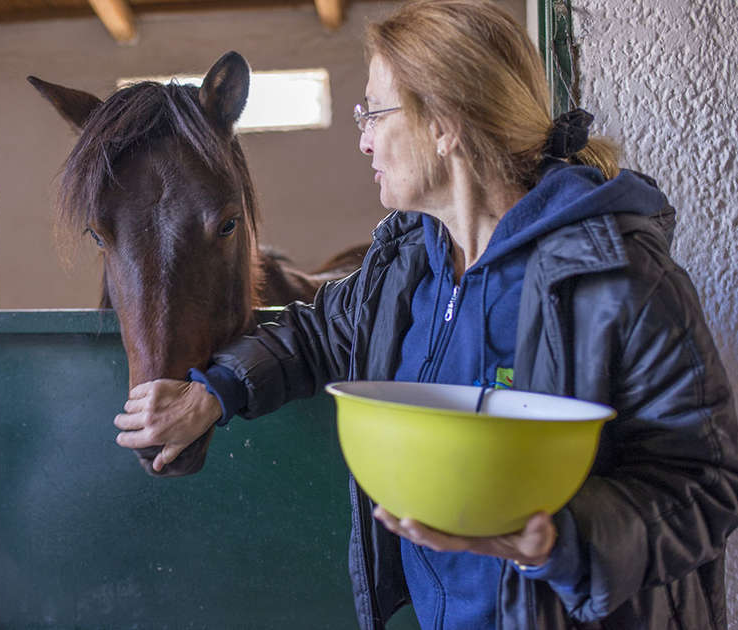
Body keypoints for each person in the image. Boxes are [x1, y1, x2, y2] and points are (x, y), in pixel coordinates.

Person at [113, 1, 738, 627]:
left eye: (375, 114)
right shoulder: (409, 261)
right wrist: (213, 394)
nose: (361, 138)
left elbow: (708, 483)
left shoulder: (616, 273)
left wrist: (560, 539)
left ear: (444, 123)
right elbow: (316, 334)